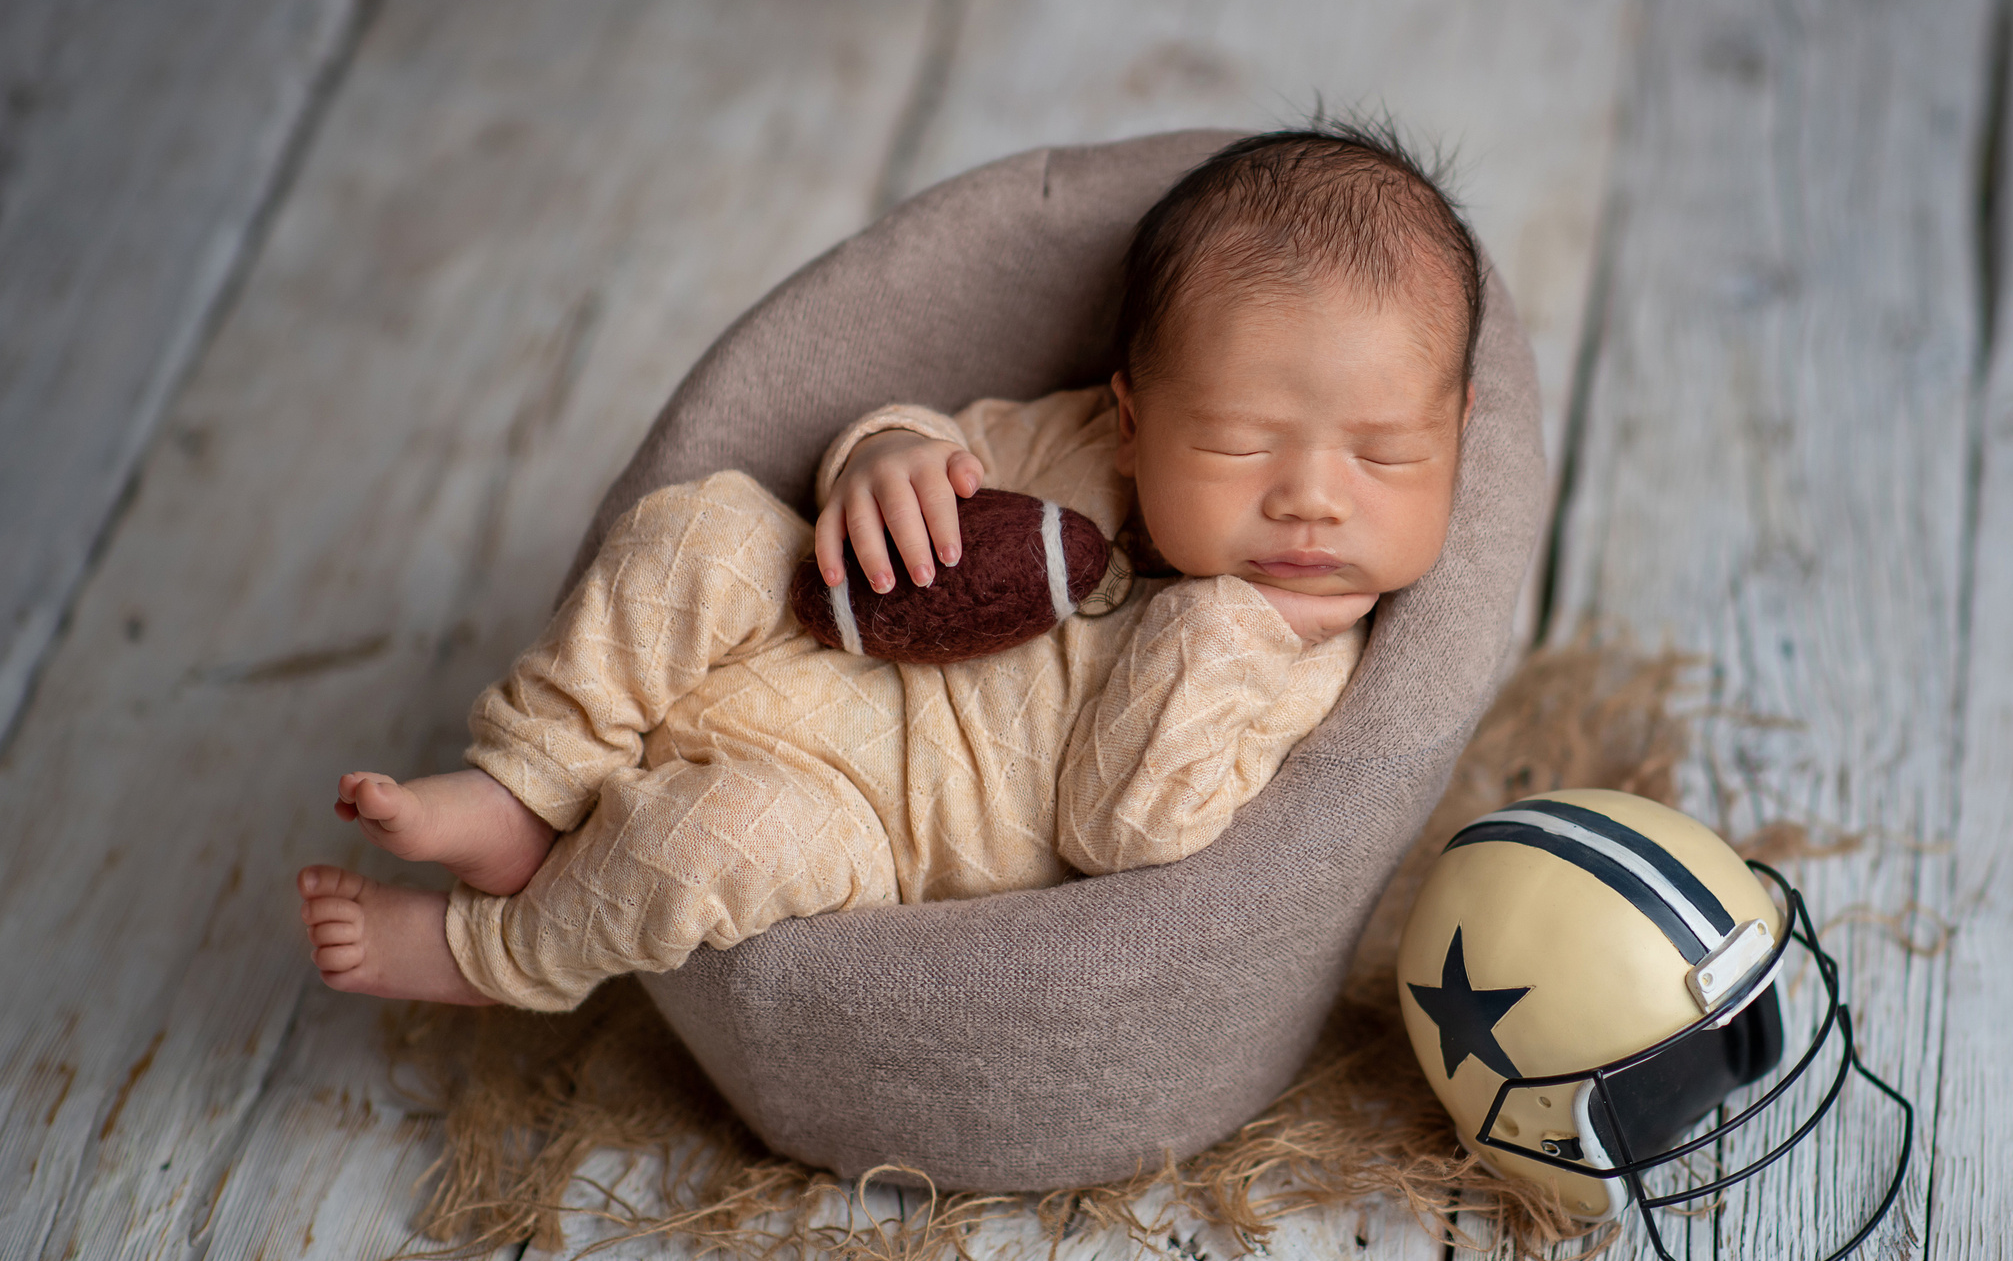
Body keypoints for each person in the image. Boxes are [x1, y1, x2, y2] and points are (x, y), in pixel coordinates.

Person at [295, 122, 1483, 1009]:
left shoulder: (1303, 672)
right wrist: (886, 456)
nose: (1312, 497)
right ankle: (528, 779)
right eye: (1237, 443)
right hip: (797, 621)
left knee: (717, 847)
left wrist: (1225, 625)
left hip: (866, 819)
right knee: (699, 529)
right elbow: (953, 442)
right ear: (1133, 420)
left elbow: (1120, 826)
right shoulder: (1078, 445)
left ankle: (489, 955)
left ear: (1459, 433)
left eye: (1386, 455)